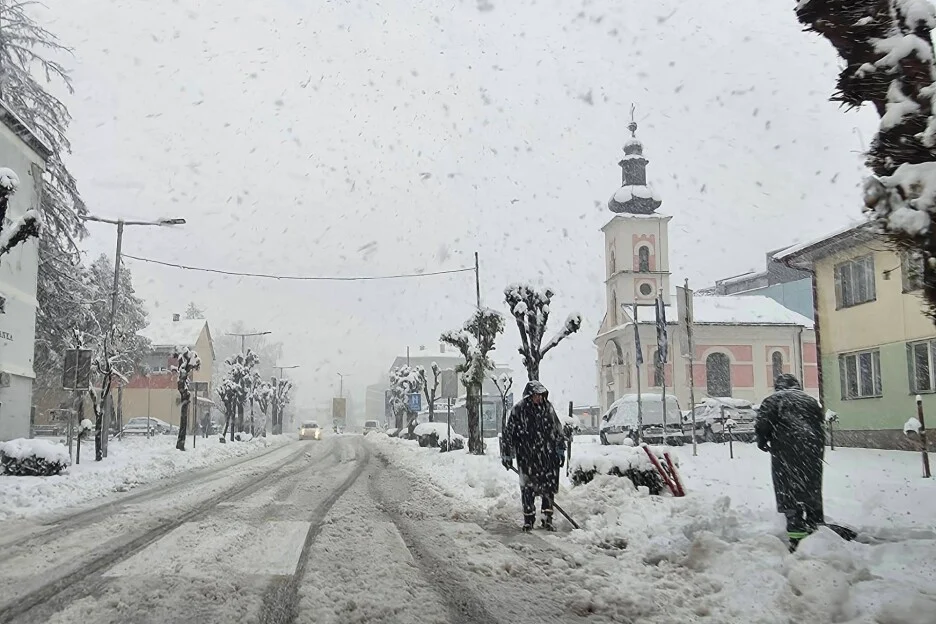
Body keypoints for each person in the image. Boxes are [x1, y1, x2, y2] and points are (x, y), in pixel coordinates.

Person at [755, 373, 825, 549]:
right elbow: (819, 424)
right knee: (812, 488)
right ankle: (816, 527)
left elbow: (762, 425)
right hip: (812, 452)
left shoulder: (773, 401)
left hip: (786, 452)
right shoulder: (810, 401)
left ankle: (796, 533)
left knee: (788, 491)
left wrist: (762, 441)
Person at [501, 381, 566, 531]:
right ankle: (528, 519)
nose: (539, 398)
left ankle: (547, 518)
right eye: (536, 395)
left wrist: (560, 448)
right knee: (528, 488)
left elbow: (557, 429)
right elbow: (508, 434)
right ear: (529, 396)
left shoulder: (548, 408)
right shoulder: (519, 410)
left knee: (548, 488)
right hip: (527, 456)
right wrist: (507, 454)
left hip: (547, 456)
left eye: (541, 395)